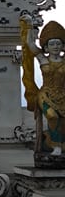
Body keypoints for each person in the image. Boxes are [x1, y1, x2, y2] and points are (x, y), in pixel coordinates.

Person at [20, 17, 65, 156]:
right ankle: (55, 146)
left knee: (62, 121)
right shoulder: (42, 58)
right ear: (46, 47)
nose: (56, 46)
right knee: (52, 116)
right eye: (52, 44)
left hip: (63, 94)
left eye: (58, 43)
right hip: (45, 95)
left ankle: (57, 143)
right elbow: (30, 44)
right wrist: (29, 25)